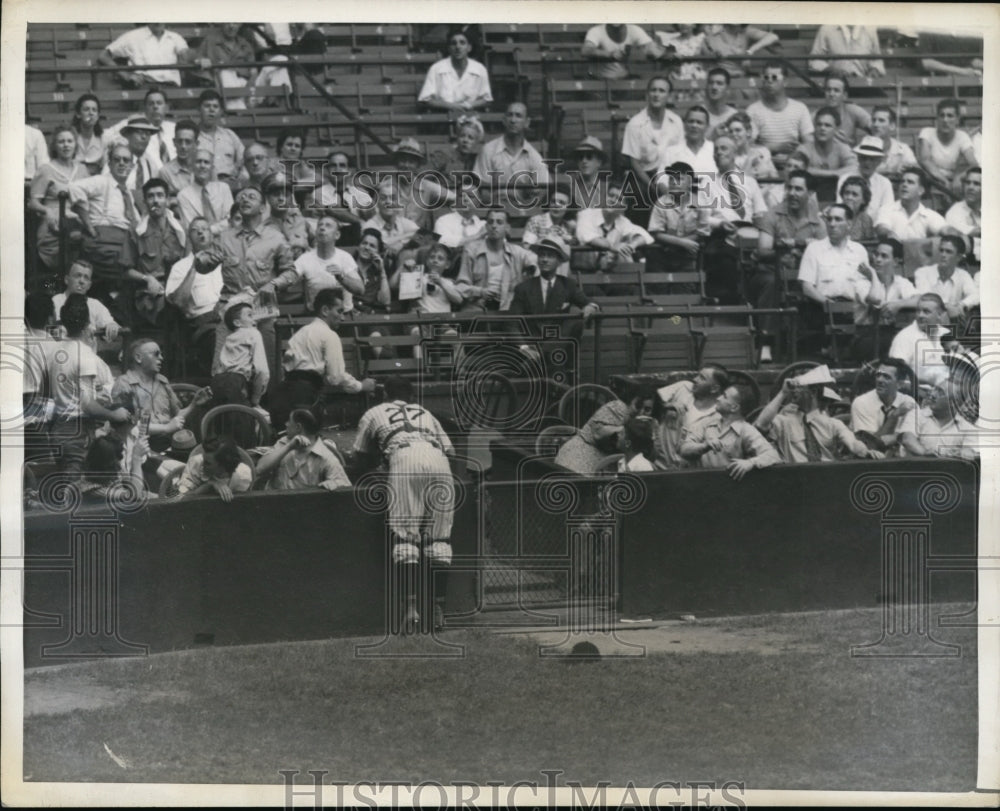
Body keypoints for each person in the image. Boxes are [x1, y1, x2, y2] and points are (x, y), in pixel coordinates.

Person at [351, 376, 456, 633]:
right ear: (411, 396)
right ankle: (438, 608)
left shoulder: (374, 411)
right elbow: (452, 452)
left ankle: (411, 610)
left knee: (406, 540)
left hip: (404, 458)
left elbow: (359, 457)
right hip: (439, 461)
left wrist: (379, 464)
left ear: (385, 393)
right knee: (438, 540)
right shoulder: (425, 411)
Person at [207, 184, 297, 369]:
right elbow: (204, 266)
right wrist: (203, 260)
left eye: (251, 197)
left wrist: (274, 284)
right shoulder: (224, 238)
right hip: (230, 307)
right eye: (241, 197)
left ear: (263, 208)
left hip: (261, 308)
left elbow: (291, 272)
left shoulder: (276, 238)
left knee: (265, 367)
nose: (244, 199)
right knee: (223, 366)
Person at [47, 295, 133, 476]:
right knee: (75, 490)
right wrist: (114, 415)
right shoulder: (84, 355)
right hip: (77, 430)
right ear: (88, 322)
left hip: (58, 426)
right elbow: (87, 404)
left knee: (66, 488)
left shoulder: (55, 350)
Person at [271, 288, 376, 428]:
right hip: (306, 396)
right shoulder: (329, 335)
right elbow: (335, 377)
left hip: (283, 394)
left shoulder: (301, 332)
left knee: (285, 439)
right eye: (339, 311)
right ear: (325, 310)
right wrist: (361, 386)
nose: (343, 317)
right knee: (306, 442)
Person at [754, 365, 884, 462]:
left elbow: (852, 443)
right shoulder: (783, 421)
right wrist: (783, 393)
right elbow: (760, 425)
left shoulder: (833, 424)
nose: (794, 391)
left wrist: (866, 452)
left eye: (799, 387)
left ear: (813, 392)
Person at [66, 142, 139, 307]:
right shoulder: (101, 181)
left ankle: (116, 309)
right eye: (117, 159)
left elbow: (136, 221)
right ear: (110, 164)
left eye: (126, 160)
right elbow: (74, 187)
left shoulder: (127, 191)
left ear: (132, 166)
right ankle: (113, 308)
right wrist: (88, 225)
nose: (121, 163)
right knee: (128, 270)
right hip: (104, 241)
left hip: (124, 242)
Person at [111, 338, 212, 453]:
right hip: (138, 447)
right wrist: (166, 428)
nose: (161, 358)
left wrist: (194, 404)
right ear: (138, 358)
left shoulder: (162, 381)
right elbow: (127, 427)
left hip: (167, 444)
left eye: (161, 354)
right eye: (156, 354)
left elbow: (177, 416)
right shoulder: (124, 384)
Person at [797, 202, 877, 337]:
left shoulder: (859, 250)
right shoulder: (814, 249)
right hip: (823, 308)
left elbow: (863, 285)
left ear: (849, 224)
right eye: (829, 219)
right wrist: (831, 305)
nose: (832, 224)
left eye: (838, 219)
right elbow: (807, 287)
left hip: (853, 310)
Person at [121, 178, 187, 330]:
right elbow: (125, 271)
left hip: (178, 290)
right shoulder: (136, 232)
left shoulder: (180, 231)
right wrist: (147, 278)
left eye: (160, 195)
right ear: (144, 201)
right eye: (150, 196)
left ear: (168, 200)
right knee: (172, 310)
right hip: (149, 295)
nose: (155, 201)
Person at [164, 217, 223, 378]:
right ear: (189, 237)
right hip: (201, 325)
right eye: (195, 230)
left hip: (229, 316)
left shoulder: (223, 263)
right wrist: (194, 268)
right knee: (218, 338)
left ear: (211, 235)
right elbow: (178, 302)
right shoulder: (180, 267)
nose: (200, 232)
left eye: (205, 228)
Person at [508, 236, 598, 340]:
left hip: (559, 346)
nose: (545, 260)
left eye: (550, 256)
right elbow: (512, 323)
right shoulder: (523, 288)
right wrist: (524, 347)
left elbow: (589, 302)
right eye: (542, 255)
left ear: (559, 262)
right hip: (532, 346)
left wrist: (590, 307)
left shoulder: (568, 285)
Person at [680, 384, 780, 478]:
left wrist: (750, 463)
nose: (718, 398)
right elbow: (684, 449)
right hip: (699, 482)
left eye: (724, 396)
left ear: (734, 407)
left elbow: (773, 455)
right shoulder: (706, 423)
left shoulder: (746, 430)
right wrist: (704, 446)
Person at [555, 384, 657, 476]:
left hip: (610, 462)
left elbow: (649, 455)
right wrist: (627, 428)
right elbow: (598, 434)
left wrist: (650, 436)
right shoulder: (619, 408)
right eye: (638, 406)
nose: (641, 412)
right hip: (584, 451)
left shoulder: (647, 425)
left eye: (647, 409)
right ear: (631, 401)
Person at [28, 126, 89, 271]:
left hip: (79, 218)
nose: (66, 145)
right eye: (61, 142)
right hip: (53, 223)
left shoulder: (82, 170)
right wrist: (47, 211)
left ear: (75, 144)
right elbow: (32, 203)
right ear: (54, 146)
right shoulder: (46, 170)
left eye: (70, 141)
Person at [456, 208, 537, 311]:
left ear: (507, 228)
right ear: (486, 226)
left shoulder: (516, 252)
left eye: (499, 222)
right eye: (490, 222)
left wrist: (530, 272)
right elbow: (460, 286)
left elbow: (537, 260)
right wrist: (481, 292)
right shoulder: (471, 250)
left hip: (507, 309)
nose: (494, 226)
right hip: (476, 308)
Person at [257, 407, 352, 491]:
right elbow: (260, 469)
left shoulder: (325, 456)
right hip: (273, 502)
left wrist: (334, 484)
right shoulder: (284, 443)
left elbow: (346, 487)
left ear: (298, 427)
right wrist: (289, 447)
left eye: (289, 421)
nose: (286, 424)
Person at [621, 76, 683, 199]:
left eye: (661, 91)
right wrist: (652, 187)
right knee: (639, 196)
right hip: (644, 178)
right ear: (647, 94)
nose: (656, 94)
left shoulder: (676, 121)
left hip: (670, 174)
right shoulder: (635, 123)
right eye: (653, 90)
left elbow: (680, 154)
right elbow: (634, 162)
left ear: (669, 96)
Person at [653, 367, 728, 470]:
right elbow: (650, 401)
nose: (695, 379)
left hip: (688, 472)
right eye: (698, 375)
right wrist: (667, 405)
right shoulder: (683, 388)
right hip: (657, 466)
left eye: (702, 378)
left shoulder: (719, 415)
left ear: (714, 389)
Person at [285, 215, 365, 311]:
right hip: (315, 316)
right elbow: (286, 281)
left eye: (328, 226)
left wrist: (341, 277)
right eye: (320, 225)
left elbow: (360, 289)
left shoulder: (345, 257)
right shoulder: (305, 258)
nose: (322, 228)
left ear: (337, 235)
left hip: (343, 317)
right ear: (316, 232)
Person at [472, 102, 550, 196]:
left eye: (518, 116)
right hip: (495, 207)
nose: (513, 120)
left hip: (523, 208)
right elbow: (481, 188)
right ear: (504, 120)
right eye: (510, 115)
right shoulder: (488, 150)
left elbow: (542, 191)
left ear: (527, 122)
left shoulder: (534, 156)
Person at [577, 179, 654, 269]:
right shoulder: (586, 214)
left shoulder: (623, 221)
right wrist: (613, 246)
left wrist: (631, 246)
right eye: (610, 195)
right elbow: (589, 237)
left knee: (626, 255)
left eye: (619, 199)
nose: (613, 200)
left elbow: (645, 236)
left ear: (625, 207)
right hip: (582, 271)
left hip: (607, 272)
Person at [897, 376, 979, 459]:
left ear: (954, 403)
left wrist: (966, 452)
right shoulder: (916, 415)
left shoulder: (968, 429)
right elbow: (907, 439)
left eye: (940, 392)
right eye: (935, 389)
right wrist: (927, 455)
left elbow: (969, 453)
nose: (932, 394)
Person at [746, 62, 814, 162]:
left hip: (794, 163)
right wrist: (774, 147)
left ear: (785, 81)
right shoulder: (753, 110)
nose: (769, 81)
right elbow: (747, 147)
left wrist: (798, 150)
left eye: (774, 77)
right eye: (766, 77)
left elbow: (809, 143)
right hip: (763, 164)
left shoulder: (800, 108)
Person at [888, 293, 959, 387]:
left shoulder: (946, 334)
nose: (920, 315)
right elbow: (895, 374)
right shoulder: (904, 337)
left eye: (926, 311)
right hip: (917, 393)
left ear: (940, 315)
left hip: (948, 390)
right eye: (918, 311)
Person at [907, 235, 979, 326]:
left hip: (951, 324)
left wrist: (961, 306)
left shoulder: (963, 275)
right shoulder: (922, 273)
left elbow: (975, 295)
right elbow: (927, 298)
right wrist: (950, 308)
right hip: (927, 325)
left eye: (948, 252)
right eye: (941, 250)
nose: (943, 255)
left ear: (959, 257)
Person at [418, 28, 492, 112]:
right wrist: (450, 106)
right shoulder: (436, 68)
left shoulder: (480, 69)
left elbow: (487, 100)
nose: (458, 47)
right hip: (443, 118)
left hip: (471, 117)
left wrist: (469, 105)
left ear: (469, 48)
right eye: (453, 43)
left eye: (462, 43)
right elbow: (425, 100)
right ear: (449, 48)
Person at [916, 99, 978, 199]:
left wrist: (959, 177)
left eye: (950, 116)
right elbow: (925, 160)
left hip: (953, 182)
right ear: (937, 118)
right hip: (931, 180)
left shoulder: (962, 136)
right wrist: (944, 181)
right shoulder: (927, 132)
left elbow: (973, 164)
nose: (945, 120)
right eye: (942, 115)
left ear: (957, 119)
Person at [849, 358, 917, 449]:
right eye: (878, 375)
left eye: (886, 377)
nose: (880, 380)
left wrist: (896, 437)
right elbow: (871, 446)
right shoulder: (861, 403)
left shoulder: (908, 402)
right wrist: (894, 416)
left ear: (899, 384)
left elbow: (912, 439)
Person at [213, 300, 270, 409]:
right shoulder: (253, 333)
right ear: (237, 323)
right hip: (237, 383)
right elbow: (262, 370)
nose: (255, 320)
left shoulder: (228, 339)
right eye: (250, 315)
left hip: (217, 381)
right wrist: (256, 398)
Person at [99, 23, 193, 88]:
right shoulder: (133, 36)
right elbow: (103, 55)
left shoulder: (175, 37)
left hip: (171, 88)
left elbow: (187, 56)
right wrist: (125, 75)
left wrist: (190, 57)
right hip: (144, 87)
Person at [108, 88, 177, 174]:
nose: (155, 107)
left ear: (167, 108)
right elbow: (106, 137)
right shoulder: (132, 124)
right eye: (151, 104)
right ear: (145, 108)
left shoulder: (174, 128)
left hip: (175, 176)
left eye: (159, 103)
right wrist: (118, 142)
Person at [52, 261, 122, 342]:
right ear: (66, 279)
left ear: (89, 285)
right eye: (77, 276)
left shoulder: (95, 305)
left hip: (87, 353)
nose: (81, 281)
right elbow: (46, 332)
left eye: (86, 278)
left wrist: (111, 325)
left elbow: (110, 323)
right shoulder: (54, 302)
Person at [193, 23, 258, 110]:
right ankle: (238, 111)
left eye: (235, 23)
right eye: (228, 22)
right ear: (222, 23)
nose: (231, 26)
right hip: (220, 82)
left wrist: (248, 90)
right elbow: (196, 59)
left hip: (243, 83)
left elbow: (253, 72)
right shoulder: (210, 40)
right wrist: (201, 60)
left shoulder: (245, 44)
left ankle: (237, 109)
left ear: (240, 24)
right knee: (225, 72)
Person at [874, 166, 949, 242]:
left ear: (921, 190)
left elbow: (947, 230)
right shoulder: (887, 209)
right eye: (902, 181)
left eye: (910, 182)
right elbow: (882, 229)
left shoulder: (929, 214)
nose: (904, 185)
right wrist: (890, 235)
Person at [104, 116, 161, 214]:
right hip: (118, 211)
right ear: (127, 135)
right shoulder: (117, 160)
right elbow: (106, 188)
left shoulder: (150, 163)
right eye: (139, 132)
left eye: (147, 134)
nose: (144, 137)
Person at [307, 150, 375, 226]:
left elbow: (373, 217)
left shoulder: (360, 192)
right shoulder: (319, 193)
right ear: (327, 170)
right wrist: (362, 223)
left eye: (342, 165)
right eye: (333, 165)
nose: (338, 169)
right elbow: (336, 211)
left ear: (349, 170)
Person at [176, 435, 254, 501]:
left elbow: (239, 505)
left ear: (223, 467)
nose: (203, 465)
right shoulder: (197, 462)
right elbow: (179, 498)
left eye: (208, 463)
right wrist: (208, 486)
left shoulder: (242, 475)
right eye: (204, 459)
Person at [520, 183, 577, 272]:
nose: (556, 205)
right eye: (553, 201)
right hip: (538, 265)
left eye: (561, 203)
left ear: (568, 207)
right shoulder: (536, 221)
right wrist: (546, 238)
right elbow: (526, 247)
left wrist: (569, 238)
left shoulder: (568, 226)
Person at [195, 89, 245, 188]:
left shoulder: (229, 135)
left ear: (221, 111)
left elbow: (243, 158)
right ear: (199, 109)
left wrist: (238, 172)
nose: (211, 110)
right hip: (203, 187)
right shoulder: (193, 137)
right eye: (207, 106)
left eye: (215, 106)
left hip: (232, 186)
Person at [177, 148, 233, 234]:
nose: (202, 166)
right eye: (198, 162)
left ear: (212, 167)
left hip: (227, 240)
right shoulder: (183, 195)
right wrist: (219, 227)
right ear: (191, 167)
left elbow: (231, 220)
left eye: (206, 162)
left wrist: (208, 230)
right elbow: (192, 228)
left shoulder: (223, 189)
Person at [581, 23, 663, 80]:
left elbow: (652, 49)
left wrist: (653, 50)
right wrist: (610, 54)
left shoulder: (635, 30)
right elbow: (586, 50)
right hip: (598, 80)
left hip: (624, 79)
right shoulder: (596, 30)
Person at [262, 174, 316, 260]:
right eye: (276, 195)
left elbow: (317, 243)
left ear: (291, 198)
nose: (281, 199)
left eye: (286, 195)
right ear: (267, 198)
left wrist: (308, 250)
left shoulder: (301, 222)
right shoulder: (262, 228)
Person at [837, 136, 894, 219]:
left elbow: (887, 212)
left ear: (879, 162)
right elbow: (840, 209)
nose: (867, 163)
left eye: (872, 159)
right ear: (858, 158)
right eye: (864, 158)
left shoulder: (885, 183)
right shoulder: (845, 179)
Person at [367, 182, 421, 263]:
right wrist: (408, 237)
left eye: (393, 198)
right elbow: (382, 245)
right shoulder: (369, 225)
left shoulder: (405, 223)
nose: (388, 202)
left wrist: (402, 244)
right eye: (383, 198)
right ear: (376, 202)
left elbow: (426, 237)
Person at [797, 107, 858, 178]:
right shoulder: (805, 149)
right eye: (819, 124)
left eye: (827, 125)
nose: (822, 128)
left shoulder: (842, 148)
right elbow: (797, 168)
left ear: (836, 129)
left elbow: (854, 168)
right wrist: (835, 173)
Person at [702, 24, 779, 78]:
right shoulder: (714, 33)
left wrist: (750, 51)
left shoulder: (746, 32)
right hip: (721, 79)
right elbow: (706, 57)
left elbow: (773, 37)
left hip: (741, 78)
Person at [809, 25, 885, 77]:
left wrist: (875, 70)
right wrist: (830, 70)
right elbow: (814, 60)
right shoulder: (826, 29)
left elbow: (877, 60)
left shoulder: (870, 30)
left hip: (862, 82)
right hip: (835, 83)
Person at [661, 105, 718, 175]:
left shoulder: (716, 150)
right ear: (684, 124)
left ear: (707, 127)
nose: (694, 125)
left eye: (699, 122)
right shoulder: (671, 152)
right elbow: (662, 181)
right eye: (691, 121)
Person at [820, 73, 872, 146]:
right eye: (828, 90)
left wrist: (850, 143)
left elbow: (876, 127)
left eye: (836, 90)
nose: (831, 94)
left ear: (845, 96)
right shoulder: (816, 116)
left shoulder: (853, 110)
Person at [428, 115, 485, 182]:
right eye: (462, 136)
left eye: (470, 138)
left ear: (476, 142)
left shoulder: (476, 161)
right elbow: (424, 176)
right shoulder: (443, 155)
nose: (465, 140)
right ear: (457, 138)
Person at [71, 93, 116, 175]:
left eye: (94, 110)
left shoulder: (104, 138)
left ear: (98, 116)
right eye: (86, 109)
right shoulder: (70, 137)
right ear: (78, 114)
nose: (91, 113)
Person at [351, 228, 393, 315]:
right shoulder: (348, 265)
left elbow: (385, 302)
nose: (367, 247)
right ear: (358, 246)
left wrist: (382, 272)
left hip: (370, 318)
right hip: (350, 315)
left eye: (372, 246)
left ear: (378, 252)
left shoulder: (378, 272)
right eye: (364, 243)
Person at [724, 111, 777, 180]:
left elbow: (774, 178)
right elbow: (736, 184)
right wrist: (749, 160)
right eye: (730, 131)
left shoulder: (763, 151)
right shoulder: (727, 158)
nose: (734, 134)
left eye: (738, 130)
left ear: (748, 132)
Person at [158, 118, 198, 203]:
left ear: (196, 144)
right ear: (174, 142)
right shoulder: (165, 172)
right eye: (180, 141)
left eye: (188, 142)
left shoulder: (206, 167)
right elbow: (166, 203)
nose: (183, 146)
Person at [566, 135, 611, 210]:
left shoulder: (608, 190)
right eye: (581, 157)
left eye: (589, 157)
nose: (584, 161)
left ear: (599, 162)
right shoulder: (569, 189)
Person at [870, 106, 917, 176]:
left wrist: (907, 168)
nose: (875, 124)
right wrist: (890, 170)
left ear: (892, 126)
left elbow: (915, 171)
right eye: (873, 120)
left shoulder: (903, 148)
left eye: (881, 120)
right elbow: (857, 172)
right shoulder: (862, 147)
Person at [703, 67, 740, 139]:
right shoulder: (699, 114)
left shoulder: (734, 115)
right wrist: (712, 136)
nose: (714, 87)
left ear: (727, 89)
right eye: (711, 83)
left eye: (719, 83)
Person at [945, 167, 982, 239]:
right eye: (968, 183)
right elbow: (973, 233)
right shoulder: (954, 211)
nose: (970, 187)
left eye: (976, 184)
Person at [838, 176, 876, 242]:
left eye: (854, 194)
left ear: (864, 200)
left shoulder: (866, 220)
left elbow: (870, 245)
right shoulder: (833, 214)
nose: (849, 197)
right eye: (846, 193)